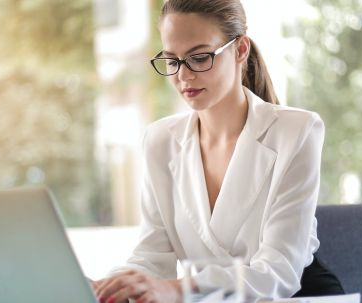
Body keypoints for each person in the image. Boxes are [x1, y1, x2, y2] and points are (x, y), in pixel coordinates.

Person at [93, 1, 344, 302]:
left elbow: (279, 272)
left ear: (240, 50)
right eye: (172, 60)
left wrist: (178, 289)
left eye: (199, 58)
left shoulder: (298, 131)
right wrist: (106, 287)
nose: (183, 76)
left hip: (294, 295)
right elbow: (151, 257)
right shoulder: (160, 141)